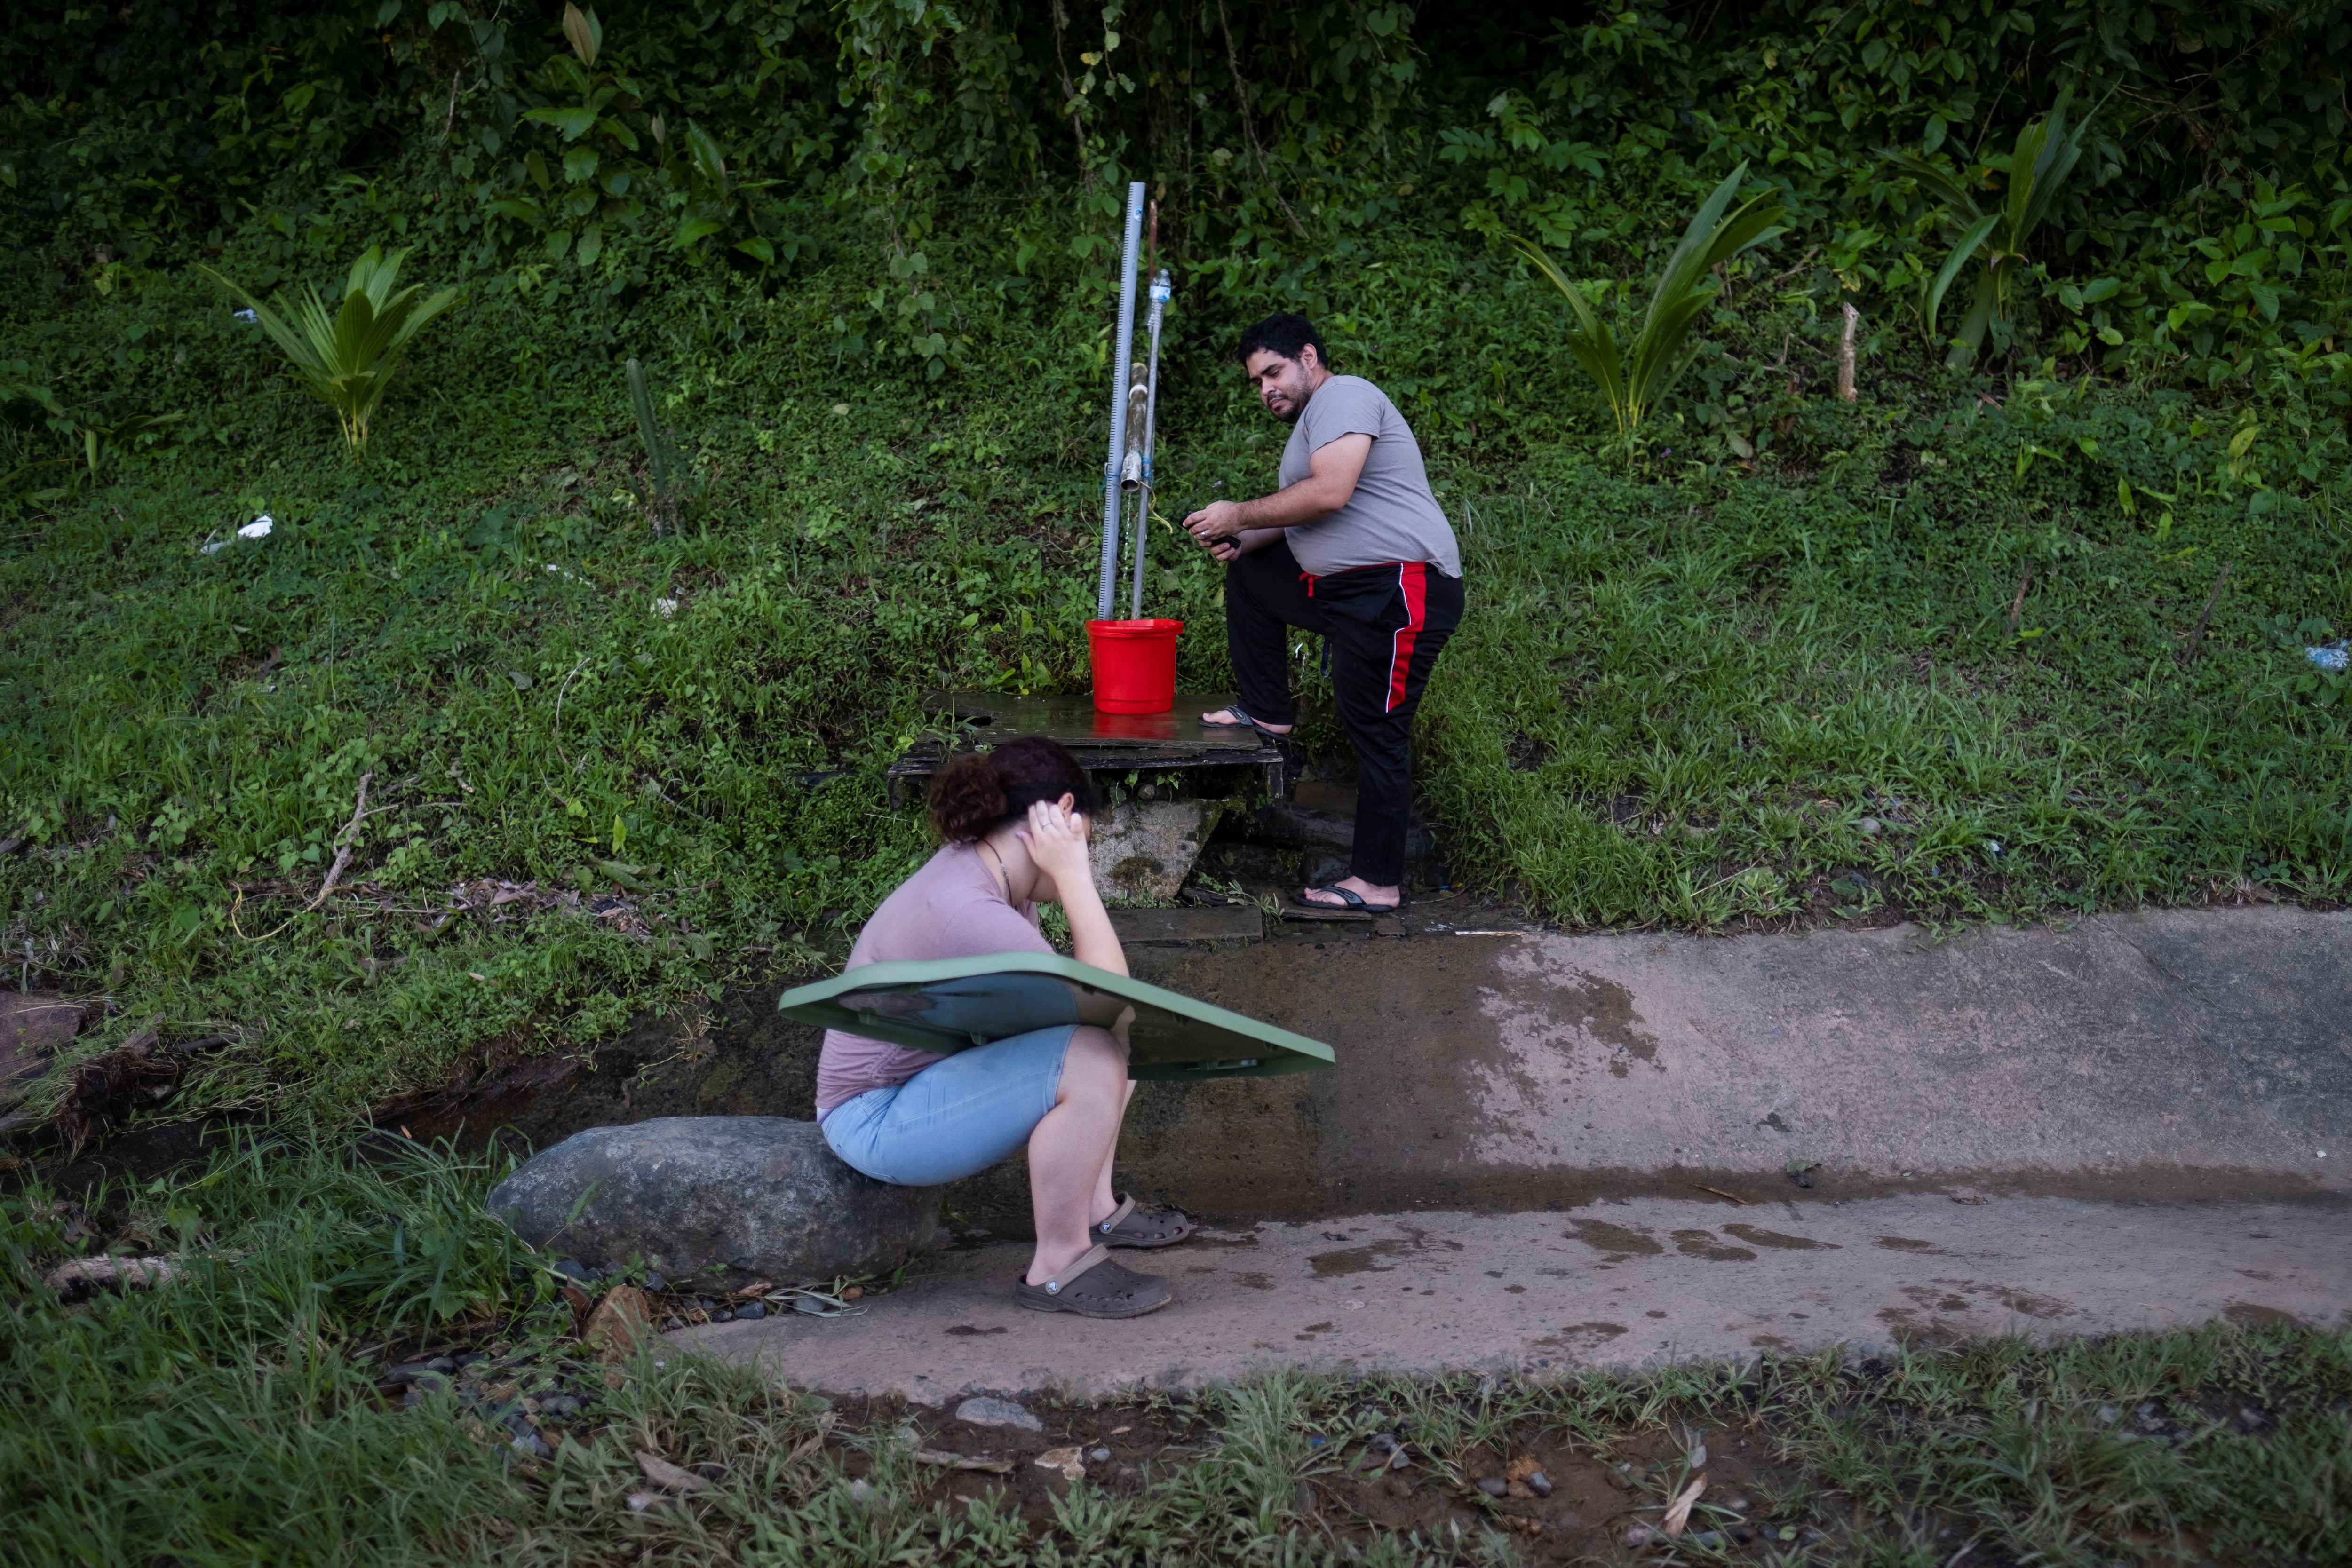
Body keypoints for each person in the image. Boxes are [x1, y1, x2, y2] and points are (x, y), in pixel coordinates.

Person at [815, 736, 1193, 1318]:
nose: (1084, 850)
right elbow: (1111, 997)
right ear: (1063, 815)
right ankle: (1059, 1264)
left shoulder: (991, 880)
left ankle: (1093, 1207)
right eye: (1085, 837)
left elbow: (1095, 1009)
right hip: (874, 1117)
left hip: (922, 1087)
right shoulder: (969, 910)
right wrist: (1073, 875)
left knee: (1115, 1044)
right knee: (1095, 1053)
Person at [1182, 312, 1465, 913]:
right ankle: (1268, 711)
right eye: (1257, 382)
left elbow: (1330, 492)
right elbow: (1302, 513)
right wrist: (1243, 538)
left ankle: (1377, 882)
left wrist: (1239, 513)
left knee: (1376, 729)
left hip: (1398, 589)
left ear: (1309, 357)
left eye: (1274, 372)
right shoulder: (1313, 424)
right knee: (1253, 575)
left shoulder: (1345, 395)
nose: (1266, 390)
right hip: (1345, 588)